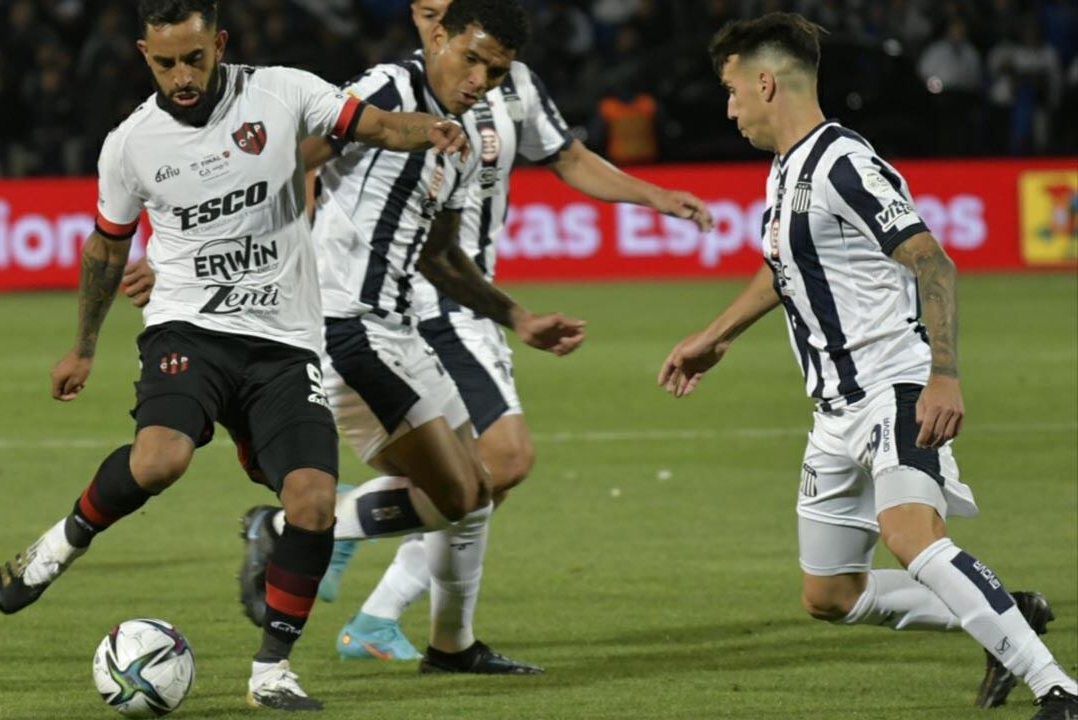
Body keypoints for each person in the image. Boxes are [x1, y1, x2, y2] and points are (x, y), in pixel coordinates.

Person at [0, 0, 469, 711]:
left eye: (193, 58)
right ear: (142, 56)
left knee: (311, 505)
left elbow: (374, 125)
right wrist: (84, 344)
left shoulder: (282, 92)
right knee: (160, 460)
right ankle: (60, 543)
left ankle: (271, 670)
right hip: (189, 329)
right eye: (164, 63)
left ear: (219, 44)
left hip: (285, 341)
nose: (181, 76)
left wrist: (431, 130)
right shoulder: (130, 144)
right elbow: (106, 246)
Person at [657, 13, 1077, 719]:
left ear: (766, 82)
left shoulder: (844, 164)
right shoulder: (786, 172)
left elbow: (931, 260)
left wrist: (943, 375)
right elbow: (784, 267)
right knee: (831, 596)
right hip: (834, 414)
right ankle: (1006, 610)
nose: (727, 108)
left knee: (911, 536)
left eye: (731, 91)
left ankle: (1058, 689)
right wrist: (715, 334)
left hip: (894, 387)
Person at [321, 0, 714, 662]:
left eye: (491, 66)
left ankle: (412, 623)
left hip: (463, 289)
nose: (480, 74)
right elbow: (302, 157)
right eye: (425, 12)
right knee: (501, 460)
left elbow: (568, 158)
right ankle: (333, 526)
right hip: (414, 304)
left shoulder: (508, 94)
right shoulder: (389, 91)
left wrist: (650, 195)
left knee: (479, 477)